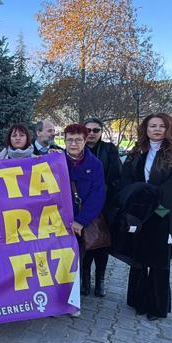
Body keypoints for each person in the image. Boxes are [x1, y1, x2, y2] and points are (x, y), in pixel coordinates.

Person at [120, 113, 172, 321]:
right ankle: (137, 301)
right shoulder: (137, 152)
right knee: (139, 258)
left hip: (163, 214)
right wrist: (135, 207)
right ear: (146, 129)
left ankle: (156, 307)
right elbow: (128, 180)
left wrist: (158, 209)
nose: (157, 129)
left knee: (159, 261)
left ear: (169, 129)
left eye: (161, 126)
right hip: (140, 214)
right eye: (152, 126)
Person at [63, 124, 107, 300]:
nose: (73, 144)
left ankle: (72, 299)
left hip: (79, 222)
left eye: (78, 140)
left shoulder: (95, 164)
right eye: (70, 140)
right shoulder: (55, 160)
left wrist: (81, 220)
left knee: (77, 261)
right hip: (58, 219)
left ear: (84, 140)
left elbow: (98, 195)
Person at [82, 118, 123, 297]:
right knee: (85, 244)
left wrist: (102, 190)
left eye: (96, 130)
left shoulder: (109, 150)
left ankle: (100, 281)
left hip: (104, 205)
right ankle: (85, 282)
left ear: (101, 132)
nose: (91, 133)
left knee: (101, 244)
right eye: (88, 130)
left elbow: (118, 176)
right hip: (82, 206)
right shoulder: (76, 149)